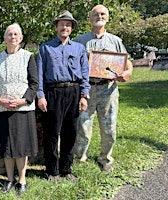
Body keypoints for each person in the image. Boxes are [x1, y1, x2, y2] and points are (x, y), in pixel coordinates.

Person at [74, 5, 133, 172]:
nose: (99, 16)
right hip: (87, 91)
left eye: (102, 14)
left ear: (107, 18)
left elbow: (127, 63)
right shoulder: (80, 41)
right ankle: (80, 158)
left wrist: (127, 73)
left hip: (108, 90)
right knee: (83, 127)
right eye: (95, 14)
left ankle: (105, 159)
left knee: (109, 128)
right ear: (90, 18)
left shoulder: (116, 41)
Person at [36, 11, 90, 182]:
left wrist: (84, 95)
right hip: (53, 93)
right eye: (61, 24)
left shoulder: (79, 49)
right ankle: (52, 171)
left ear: (72, 28)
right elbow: (39, 75)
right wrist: (41, 96)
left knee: (71, 132)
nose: (64, 27)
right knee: (52, 133)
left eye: (68, 24)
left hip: (73, 92)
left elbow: (84, 73)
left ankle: (66, 169)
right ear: (56, 27)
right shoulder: (45, 48)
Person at [0, 23, 39, 196]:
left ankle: (22, 179)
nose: (13, 37)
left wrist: (22, 100)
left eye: (16, 34)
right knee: (6, 146)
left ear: (21, 38)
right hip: (1, 109)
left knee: (21, 146)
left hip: (22, 108)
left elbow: (34, 84)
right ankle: (9, 179)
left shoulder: (28, 57)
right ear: (4, 38)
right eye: (9, 34)